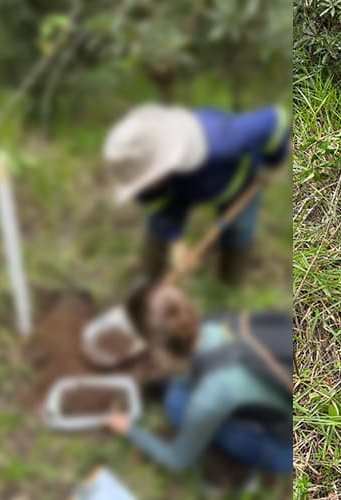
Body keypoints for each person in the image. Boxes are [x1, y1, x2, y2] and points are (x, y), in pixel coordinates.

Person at [104, 285, 293, 475]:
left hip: (291, 447)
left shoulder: (211, 394)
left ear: (160, 350)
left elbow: (177, 459)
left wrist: (128, 429)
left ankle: (231, 467)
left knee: (177, 406)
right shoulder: (216, 321)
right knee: (178, 394)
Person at [103, 103, 292, 286]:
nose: (142, 188)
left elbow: (276, 120)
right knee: (158, 227)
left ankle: (230, 283)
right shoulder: (146, 179)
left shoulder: (224, 141)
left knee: (239, 229)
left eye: (145, 180)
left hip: (237, 182)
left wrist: (273, 162)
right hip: (183, 185)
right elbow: (157, 204)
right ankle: (148, 285)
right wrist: (174, 239)